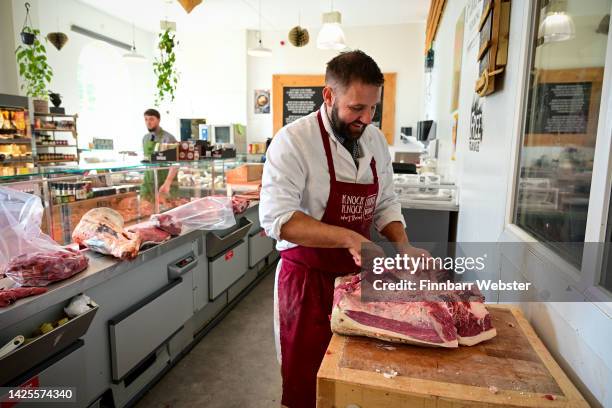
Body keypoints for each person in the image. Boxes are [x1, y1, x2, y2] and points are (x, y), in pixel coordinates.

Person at [259, 50, 426, 408]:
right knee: (307, 384)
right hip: (307, 283)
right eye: (356, 108)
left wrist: (404, 244)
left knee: (358, 380)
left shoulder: (375, 141)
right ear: (329, 96)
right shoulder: (294, 142)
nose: (365, 118)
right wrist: (349, 236)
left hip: (355, 279)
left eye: (372, 109)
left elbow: (385, 202)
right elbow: (277, 218)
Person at [141, 108, 179, 204]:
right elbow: (146, 159)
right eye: (146, 119)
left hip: (165, 183)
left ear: (158, 120)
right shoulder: (145, 138)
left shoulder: (169, 138)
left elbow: (176, 163)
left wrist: (167, 183)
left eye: (151, 119)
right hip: (148, 183)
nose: (148, 122)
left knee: (167, 212)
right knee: (146, 212)